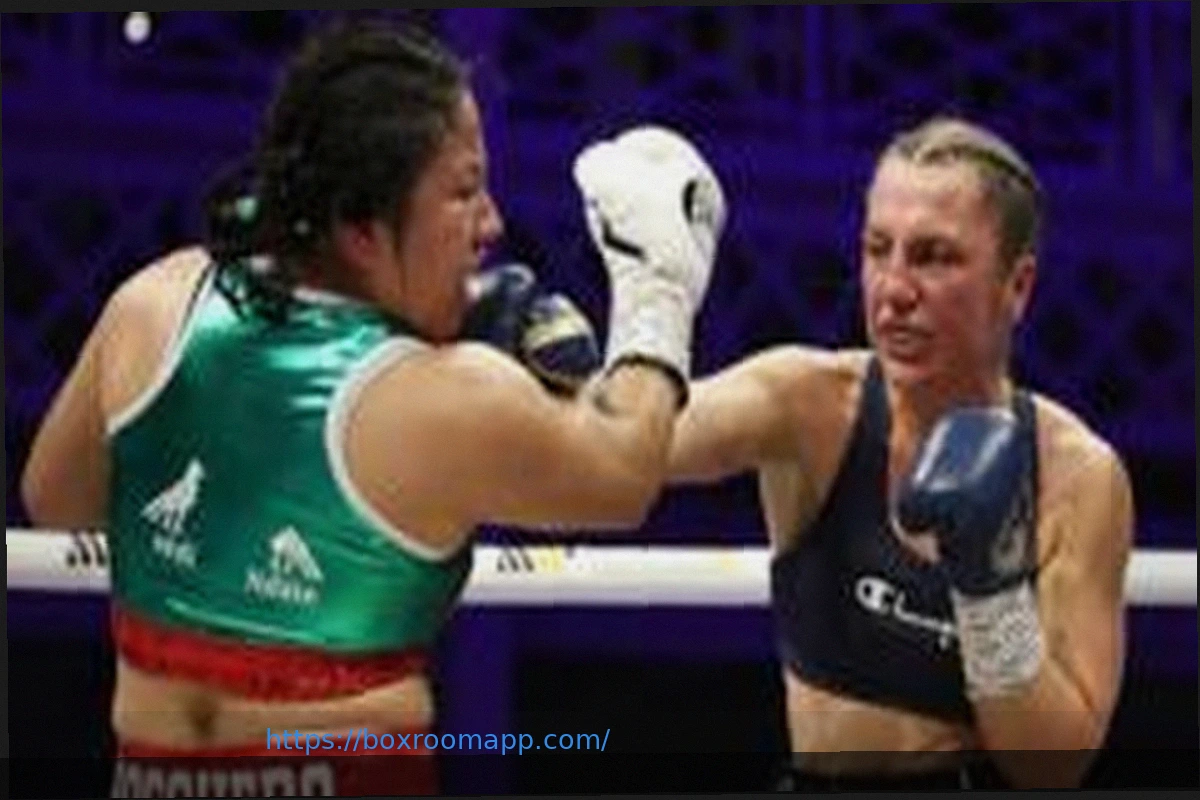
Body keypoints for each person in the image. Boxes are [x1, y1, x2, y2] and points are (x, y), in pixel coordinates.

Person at [19, 19, 726, 797]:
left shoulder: (154, 305)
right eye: (464, 190)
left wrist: (216, 541)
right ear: (360, 226)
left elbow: (55, 500)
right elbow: (621, 476)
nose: (492, 222)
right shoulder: (442, 392)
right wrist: (657, 290)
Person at [668, 117, 1133, 790]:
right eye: (877, 249)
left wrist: (990, 596)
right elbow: (626, 451)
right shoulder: (808, 406)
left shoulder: (1079, 477)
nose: (893, 290)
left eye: (934, 257)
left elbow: (1053, 767)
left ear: (1018, 285)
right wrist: (649, 307)